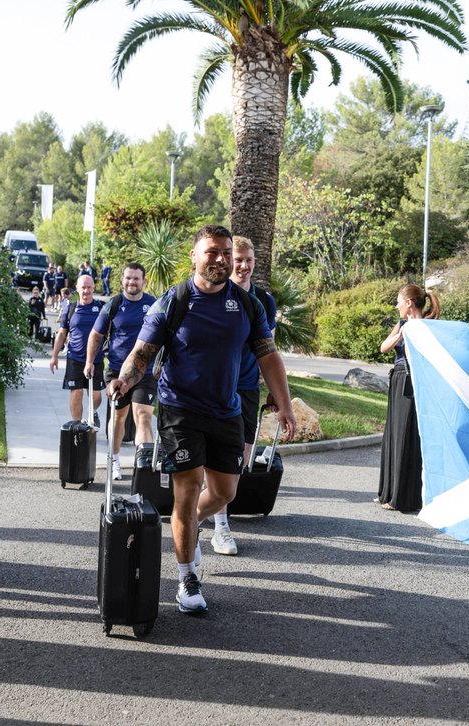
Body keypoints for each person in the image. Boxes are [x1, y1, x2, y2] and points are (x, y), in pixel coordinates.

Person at [108, 224, 297, 615]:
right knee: (188, 488)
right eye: (212, 252)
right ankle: (187, 578)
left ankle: (185, 523)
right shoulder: (174, 300)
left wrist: (285, 404)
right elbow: (142, 353)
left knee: (227, 492)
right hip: (180, 410)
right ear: (194, 256)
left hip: (227, 411)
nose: (221, 259)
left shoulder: (248, 305)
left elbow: (268, 354)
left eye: (226, 252)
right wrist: (124, 381)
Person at [208, 235, 278, 556]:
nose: (244, 265)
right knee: (218, 459)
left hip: (249, 387)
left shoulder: (264, 300)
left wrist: (275, 391)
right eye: (239, 259)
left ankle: (202, 511)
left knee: (240, 463)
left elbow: (269, 349)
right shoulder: (217, 293)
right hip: (218, 386)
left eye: (249, 260)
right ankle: (220, 526)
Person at [85, 263, 156, 480]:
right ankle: (114, 460)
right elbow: (96, 335)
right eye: (128, 278)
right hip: (116, 371)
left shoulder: (153, 305)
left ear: (144, 281)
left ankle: (144, 466)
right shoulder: (114, 305)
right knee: (118, 417)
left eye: (136, 278)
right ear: (122, 280)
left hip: (146, 371)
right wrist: (89, 362)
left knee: (143, 415)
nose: (131, 282)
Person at [377, 284, 440, 513]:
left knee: (407, 436)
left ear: (409, 304)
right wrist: (401, 335)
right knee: (393, 434)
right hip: (397, 379)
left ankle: (403, 497)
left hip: (413, 383)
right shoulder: (403, 324)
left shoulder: (428, 326)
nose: (396, 305)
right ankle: (388, 491)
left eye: (399, 301)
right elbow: (384, 348)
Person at [50, 274, 103, 425]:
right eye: (83, 288)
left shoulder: (100, 308)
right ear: (77, 289)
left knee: (96, 397)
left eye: (89, 288)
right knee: (76, 393)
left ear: (93, 288)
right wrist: (54, 356)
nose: (86, 291)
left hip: (96, 359)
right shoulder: (71, 305)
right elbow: (62, 332)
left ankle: (93, 412)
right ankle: (77, 425)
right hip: (75, 358)